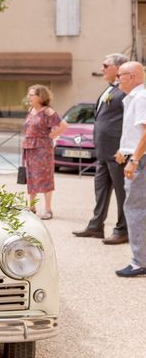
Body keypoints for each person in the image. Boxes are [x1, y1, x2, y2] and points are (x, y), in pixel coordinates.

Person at [73, 53, 129, 243]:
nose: (102, 68)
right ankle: (96, 226)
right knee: (100, 190)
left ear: (118, 68)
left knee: (122, 193)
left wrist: (124, 148)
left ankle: (123, 230)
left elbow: (129, 123)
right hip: (103, 152)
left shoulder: (126, 92)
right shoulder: (110, 90)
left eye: (106, 65)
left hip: (117, 152)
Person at [114, 61, 146, 277]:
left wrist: (133, 159)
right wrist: (123, 150)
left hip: (141, 160)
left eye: (120, 75)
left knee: (135, 210)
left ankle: (139, 262)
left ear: (133, 76)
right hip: (137, 157)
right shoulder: (134, 98)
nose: (117, 79)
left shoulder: (141, 97)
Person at [22, 85, 68, 220]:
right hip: (30, 148)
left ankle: (48, 209)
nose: (29, 97)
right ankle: (31, 206)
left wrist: (51, 136)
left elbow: (64, 125)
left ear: (40, 96)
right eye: (29, 94)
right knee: (31, 177)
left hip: (43, 149)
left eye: (32, 95)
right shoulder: (31, 110)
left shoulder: (48, 111)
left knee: (45, 177)